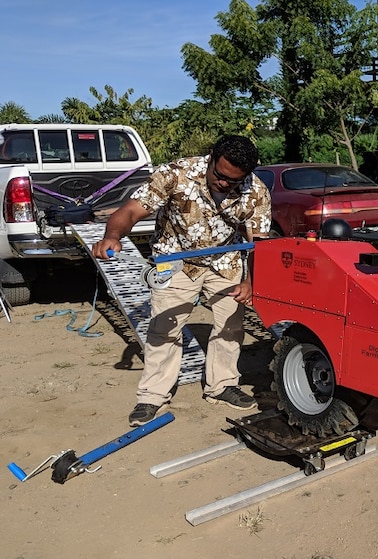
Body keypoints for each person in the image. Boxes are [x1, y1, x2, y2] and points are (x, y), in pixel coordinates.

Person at [92, 135, 272, 426]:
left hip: (225, 262)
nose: (225, 184)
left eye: (234, 181)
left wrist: (251, 282)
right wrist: (112, 237)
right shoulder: (174, 174)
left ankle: (222, 385)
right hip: (175, 260)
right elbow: (130, 211)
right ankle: (153, 396)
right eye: (221, 176)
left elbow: (260, 244)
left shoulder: (256, 191)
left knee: (231, 326)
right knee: (164, 329)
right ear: (211, 156)